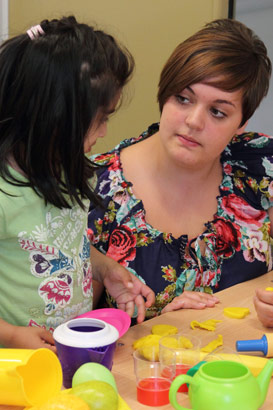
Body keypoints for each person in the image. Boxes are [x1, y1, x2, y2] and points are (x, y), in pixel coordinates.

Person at [88, 18, 273, 321]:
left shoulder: (259, 167)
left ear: (241, 124)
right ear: (164, 94)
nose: (194, 121)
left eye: (217, 111)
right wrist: (160, 327)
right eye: (183, 99)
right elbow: (70, 340)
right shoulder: (95, 188)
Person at [0, 15, 155, 351]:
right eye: (98, 120)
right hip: (17, 366)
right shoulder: (4, 193)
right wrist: (11, 336)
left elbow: (67, 247)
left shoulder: (68, 172)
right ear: (51, 116)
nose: (103, 133)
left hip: (68, 351)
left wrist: (105, 270)